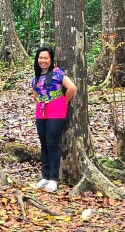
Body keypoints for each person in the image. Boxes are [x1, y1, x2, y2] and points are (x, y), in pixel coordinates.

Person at [32, 46, 76, 193]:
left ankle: (53, 179)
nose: (43, 60)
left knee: (52, 144)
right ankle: (45, 176)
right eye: (40, 58)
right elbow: (35, 94)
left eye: (46, 58)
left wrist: (62, 101)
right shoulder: (36, 76)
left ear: (51, 59)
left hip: (56, 112)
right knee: (44, 144)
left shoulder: (57, 73)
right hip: (41, 113)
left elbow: (72, 88)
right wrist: (41, 101)